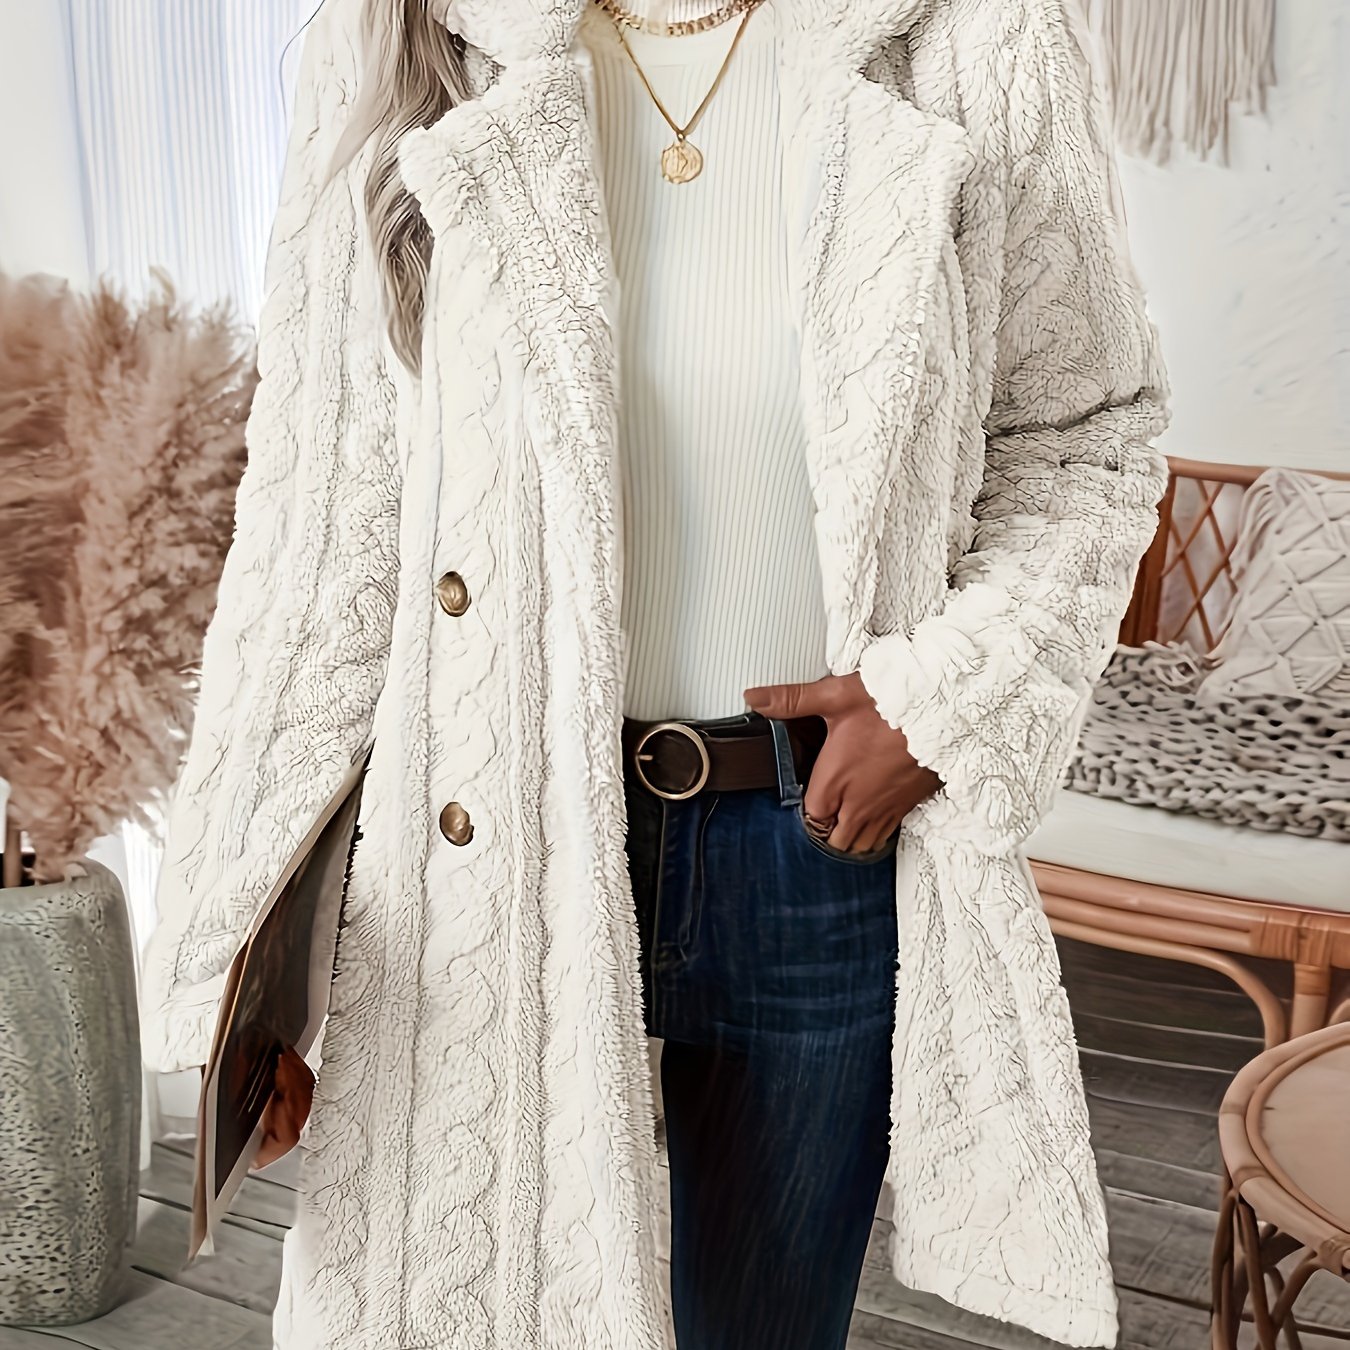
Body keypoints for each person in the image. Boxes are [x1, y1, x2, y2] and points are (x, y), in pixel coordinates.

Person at [140, 0, 1172, 1347]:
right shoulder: (413, 39)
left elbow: (1086, 437)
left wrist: (948, 702)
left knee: (764, 1325)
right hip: (488, 825)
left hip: (818, 831)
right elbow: (318, 529)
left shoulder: (976, 38)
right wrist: (231, 951)